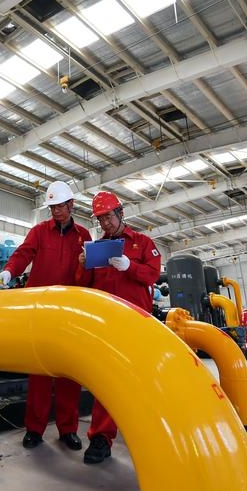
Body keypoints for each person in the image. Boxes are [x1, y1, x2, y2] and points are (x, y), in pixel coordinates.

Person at [0, 180, 92, 451]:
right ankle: (34, 430)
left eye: (60, 207)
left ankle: (68, 430)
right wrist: (8, 272)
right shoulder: (39, 232)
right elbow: (23, 254)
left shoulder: (83, 235)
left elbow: (88, 275)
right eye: (52, 208)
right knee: (38, 373)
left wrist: (86, 267)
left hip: (69, 313)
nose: (56, 212)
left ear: (71, 205)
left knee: (67, 375)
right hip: (38, 311)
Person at [76, 191, 161, 464]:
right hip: (107, 324)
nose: (105, 224)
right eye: (100, 219)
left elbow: (153, 274)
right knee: (108, 381)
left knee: (141, 380)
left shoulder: (143, 243)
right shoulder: (97, 248)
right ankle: (101, 437)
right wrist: (83, 265)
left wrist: (129, 266)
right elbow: (84, 285)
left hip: (137, 322)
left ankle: (148, 431)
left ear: (121, 213)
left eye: (108, 217)